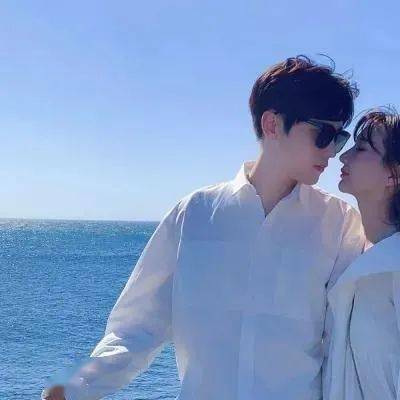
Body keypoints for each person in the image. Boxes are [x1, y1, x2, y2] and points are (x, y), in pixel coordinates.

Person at [42, 56, 365, 400]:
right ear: (272, 124)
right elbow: (135, 328)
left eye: (339, 137)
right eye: (324, 134)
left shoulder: (340, 224)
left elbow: (346, 349)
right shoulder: (194, 214)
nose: (333, 151)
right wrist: (70, 387)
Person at [324, 109, 400, 400]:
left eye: (362, 148)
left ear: (394, 174)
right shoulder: (350, 253)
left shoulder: (393, 266)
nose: (343, 156)